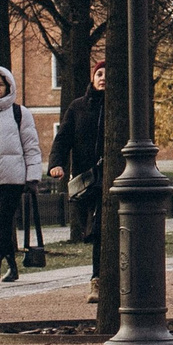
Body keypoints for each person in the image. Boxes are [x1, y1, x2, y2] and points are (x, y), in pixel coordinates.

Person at [0, 65, 43, 283]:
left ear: (8, 87)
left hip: (13, 178)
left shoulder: (19, 113)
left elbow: (31, 145)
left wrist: (32, 176)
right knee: (0, 223)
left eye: (1, 85)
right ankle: (11, 267)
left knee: (4, 219)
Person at [48, 61, 106, 246]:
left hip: (110, 176)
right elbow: (63, 139)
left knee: (101, 226)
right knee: (91, 228)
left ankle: (98, 273)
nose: (103, 78)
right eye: (99, 74)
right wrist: (56, 163)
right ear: (93, 78)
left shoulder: (118, 108)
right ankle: (97, 271)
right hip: (85, 177)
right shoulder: (77, 107)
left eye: (107, 74)